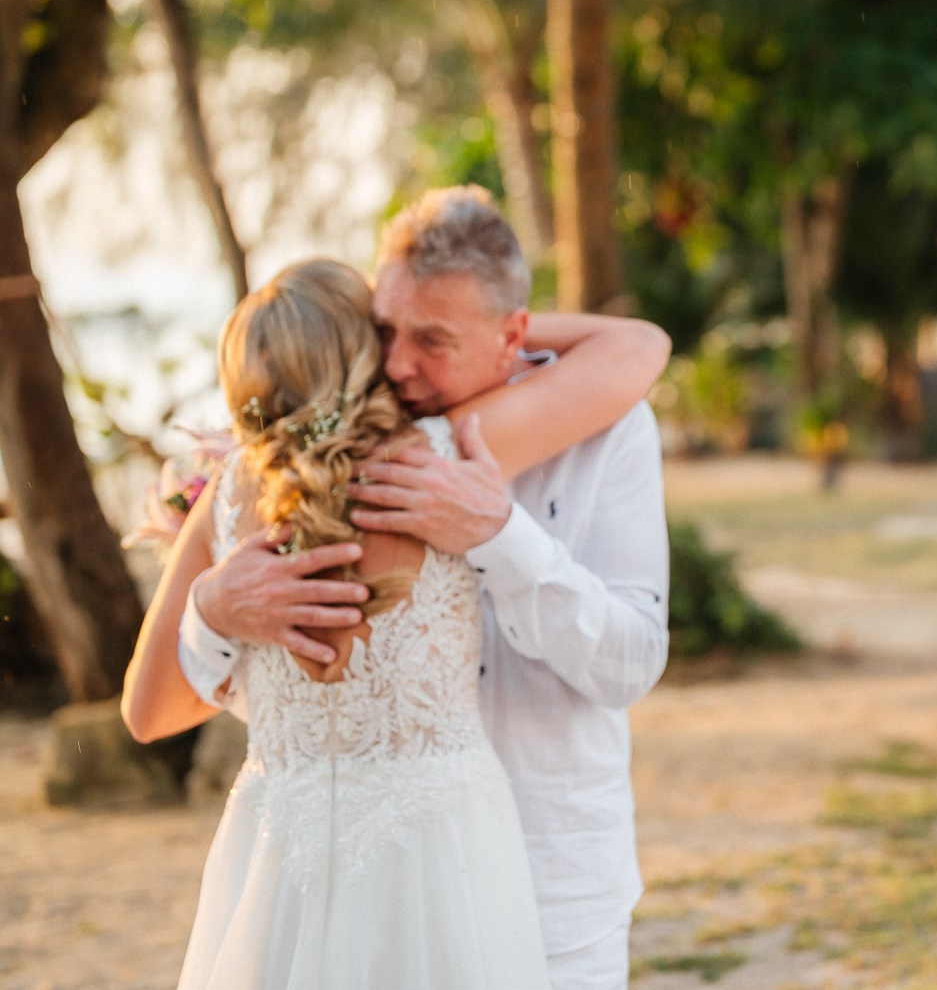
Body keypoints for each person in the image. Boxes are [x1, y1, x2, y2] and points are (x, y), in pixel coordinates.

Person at [150, 187, 674, 990]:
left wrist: (498, 533)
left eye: (432, 337)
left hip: (556, 887)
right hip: (338, 899)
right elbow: (155, 706)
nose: (398, 364)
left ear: (514, 333)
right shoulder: (277, 475)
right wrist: (218, 609)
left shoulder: (600, 427)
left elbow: (632, 664)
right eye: (383, 330)